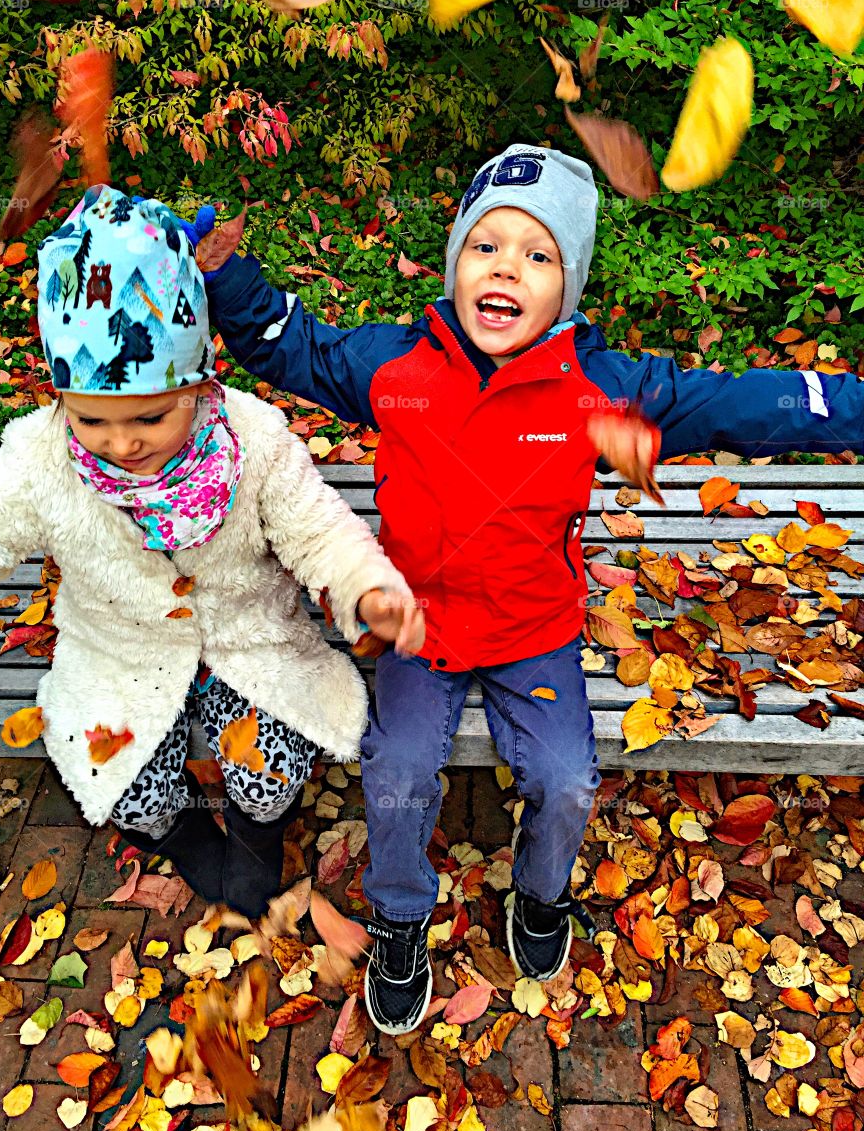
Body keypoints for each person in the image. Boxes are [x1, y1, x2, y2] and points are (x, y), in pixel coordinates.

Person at [189, 142, 864, 1033]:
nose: (507, 266)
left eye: (537, 255)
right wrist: (227, 276)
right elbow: (297, 350)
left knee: (566, 777)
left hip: (530, 624)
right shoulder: (397, 369)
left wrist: (847, 406)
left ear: (567, 285)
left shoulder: (601, 387)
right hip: (416, 620)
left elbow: (738, 402)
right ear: (457, 263)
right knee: (395, 771)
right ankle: (400, 917)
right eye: (486, 246)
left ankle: (540, 897)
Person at [0, 185, 423, 918]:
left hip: (252, 639)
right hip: (121, 653)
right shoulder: (39, 461)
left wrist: (365, 590)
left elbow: (321, 531)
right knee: (130, 788)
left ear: (199, 377)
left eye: (149, 415)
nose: (122, 443)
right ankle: (186, 840)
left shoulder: (253, 440)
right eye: (92, 419)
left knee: (268, 768)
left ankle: (254, 837)